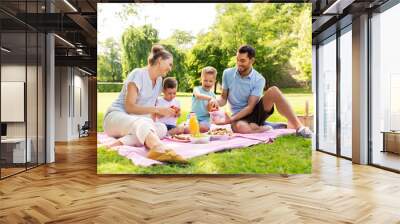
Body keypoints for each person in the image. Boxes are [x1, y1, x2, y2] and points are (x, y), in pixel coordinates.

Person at [103, 44, 186, 163]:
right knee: (144, 123)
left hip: (135, 122)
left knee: (161, 128)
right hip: (115, 117)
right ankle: (159, 148)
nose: (170, 68)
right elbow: (129, 107)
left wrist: (167, 113)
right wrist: (157, 110)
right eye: (170, 64)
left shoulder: (159, 81)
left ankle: (118, 143)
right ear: (160, 61)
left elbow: (150, 113)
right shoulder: (138, 74)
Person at [210, 45, 312, 138]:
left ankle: (300, 127)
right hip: (238, 116)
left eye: (242, 60)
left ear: (252, 60)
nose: (239, 64)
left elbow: (250, 108)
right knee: (241, 128)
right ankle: (267, 127)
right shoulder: (227, 73)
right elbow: (223, 98)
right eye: (237, 60)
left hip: (254, 112)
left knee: (274, 91)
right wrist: (215, 101)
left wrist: (230, 120)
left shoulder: (259, 79)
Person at [189, 66, 218, 133]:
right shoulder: (197, 89)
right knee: (191, 126)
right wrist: (210, 98)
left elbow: (211, 110)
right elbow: (198, 96)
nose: (207, 83)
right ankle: (192, 128)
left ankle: (194, 129)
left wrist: (214, 110)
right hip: (194, 117)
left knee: (205, 128)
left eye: (210, 81)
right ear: (201, 79)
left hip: (205, 119)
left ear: (214, 82)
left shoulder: (213, 95)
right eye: (205, 80)